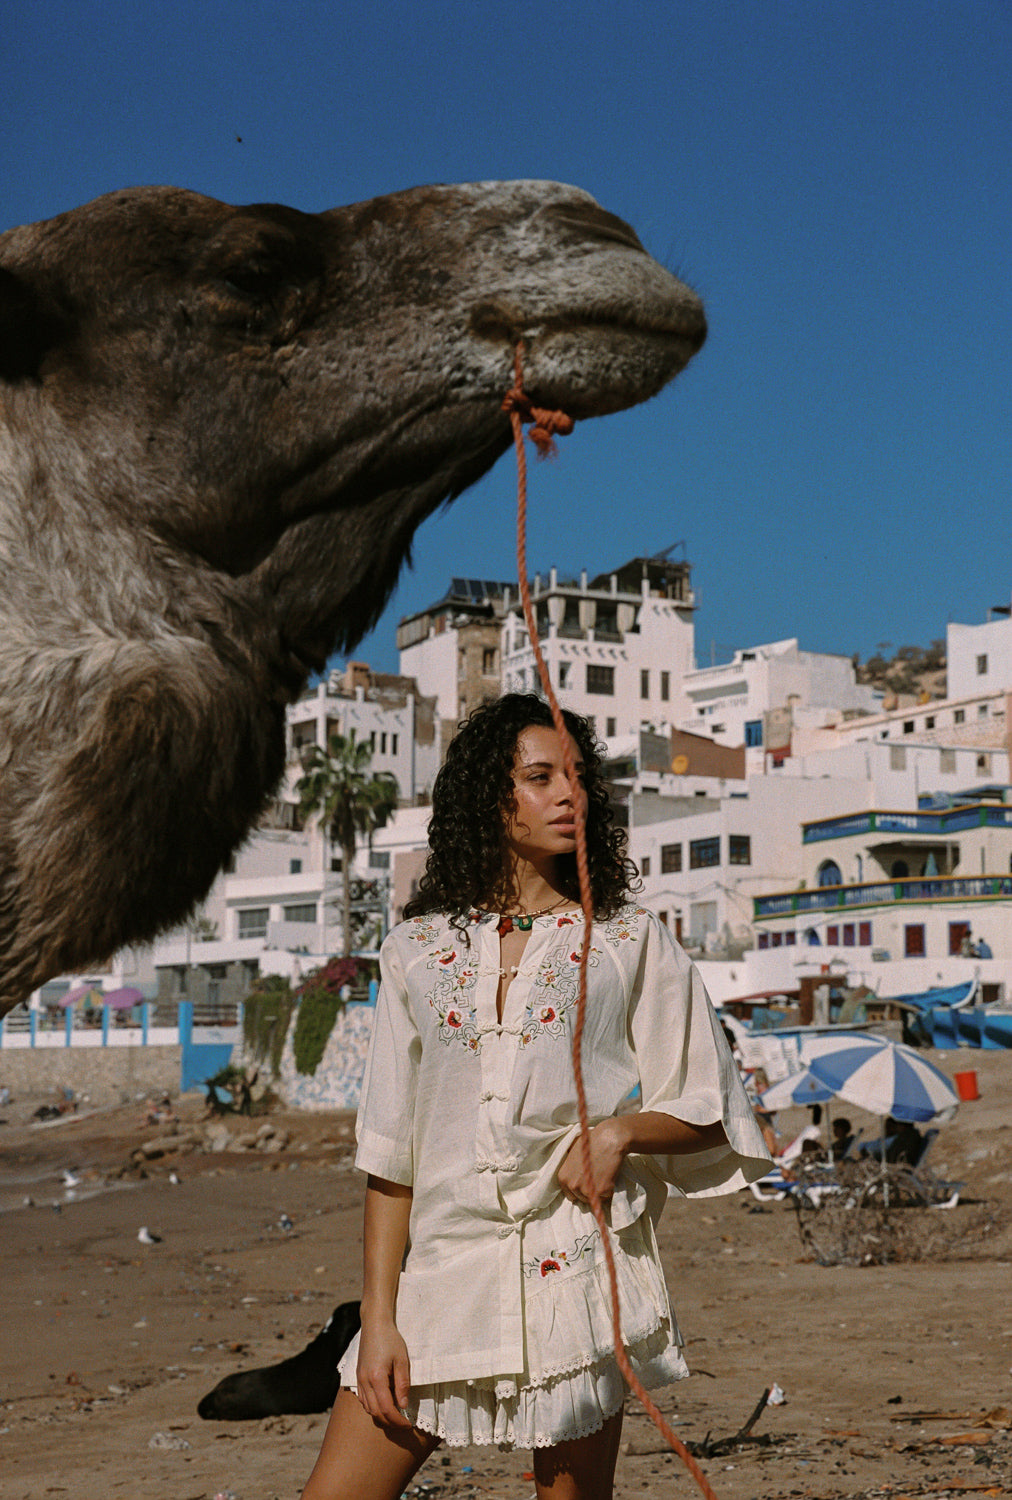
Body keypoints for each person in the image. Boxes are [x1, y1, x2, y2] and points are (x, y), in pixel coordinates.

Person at [300, 694, 771, 1500]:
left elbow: (709, 1107)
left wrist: (623, 1130)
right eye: (541, 776)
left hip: (574, 1274)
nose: (569, 796)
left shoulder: (626, 942)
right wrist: (378, 1318)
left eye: (580, 778)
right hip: (442, 1277)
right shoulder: (417, 950)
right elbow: (390, 1156)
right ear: (492, 797)